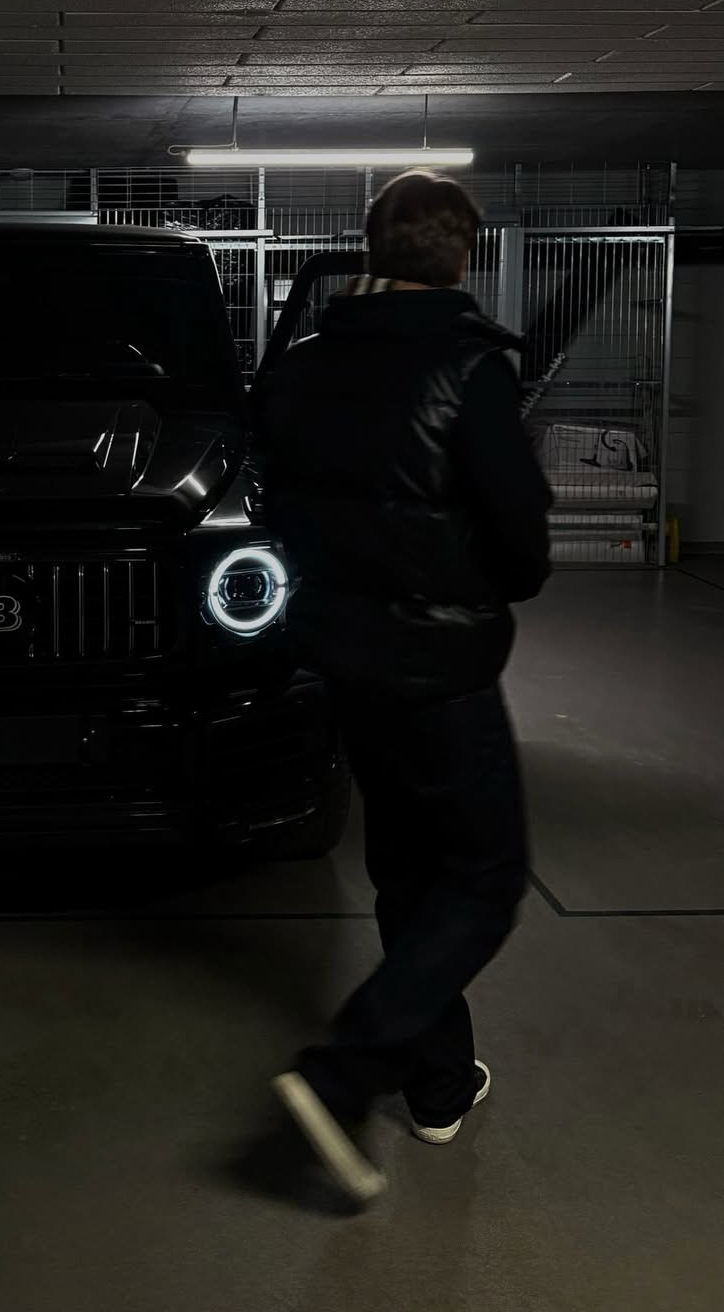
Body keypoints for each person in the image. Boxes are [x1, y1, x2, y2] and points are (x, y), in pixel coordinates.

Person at [252, 168, 552, 1206]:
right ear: (461, 255)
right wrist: (471, 587)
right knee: (484, 879)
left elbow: (276, 508)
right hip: (441, 671)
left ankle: (437, 1080)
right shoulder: (468, 371)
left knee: (410, 874)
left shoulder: (298, 369)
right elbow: (524, 540)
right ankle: (342, 1073)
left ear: (373, 249)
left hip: (347, 660)